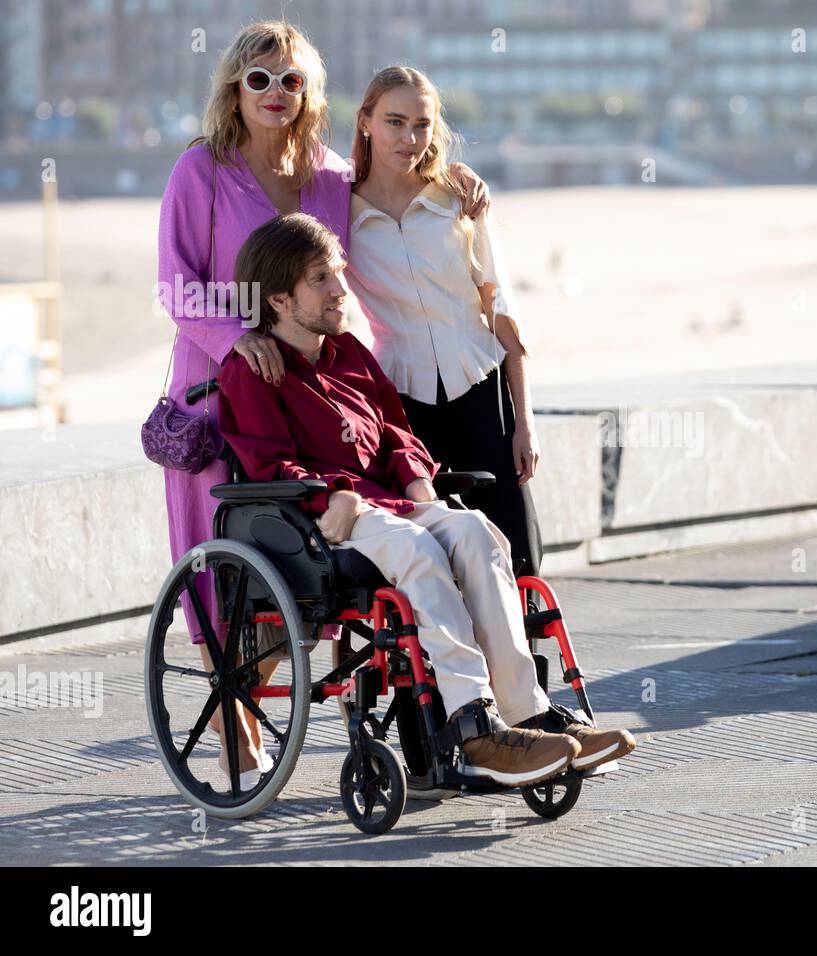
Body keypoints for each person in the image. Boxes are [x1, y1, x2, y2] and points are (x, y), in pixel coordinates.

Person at [157, 21, 488, 785]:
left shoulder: (331, 175)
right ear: (235, 89)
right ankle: (234, 715)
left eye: (291, 80)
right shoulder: (200, 171)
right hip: (218, 388)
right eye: (259, 79)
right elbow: (174, 283)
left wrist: (455, 184)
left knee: (316, 552)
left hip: (307, 392)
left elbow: (396, 181)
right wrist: (239, 336)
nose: (276, 93)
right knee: (220, 564)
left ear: (310, 91)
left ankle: (372, 704)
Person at [217, 212, 636, 785]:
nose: (341, 289)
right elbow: (267, 464)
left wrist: (418, 480)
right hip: (324, 520)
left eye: (337, 273)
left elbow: (394, 432)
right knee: (417, 547)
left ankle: (528, 711)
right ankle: (474, 726)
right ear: (280, 300)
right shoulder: (252, 374)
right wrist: (332, 494)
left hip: (390, 504)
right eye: (321, 279)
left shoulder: (351, 354)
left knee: (478, 533)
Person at [345, 66, 543, 579]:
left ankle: (523, 659)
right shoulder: (338, 213)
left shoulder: (460, 200)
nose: (409, 138)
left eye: (421, 124)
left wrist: (525, 424)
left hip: (483, 388)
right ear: (365, 120)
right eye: (394, 121)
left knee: (516, 556)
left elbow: (502, 315)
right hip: (402, 406)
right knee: (432, 555)